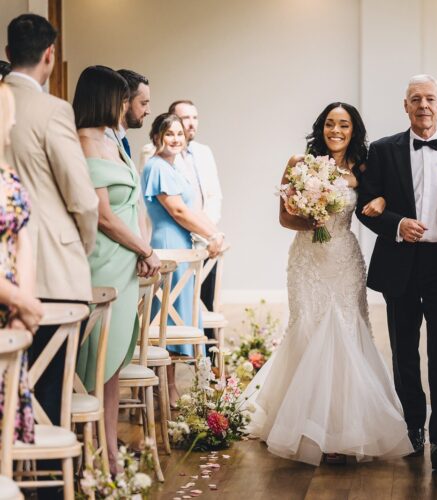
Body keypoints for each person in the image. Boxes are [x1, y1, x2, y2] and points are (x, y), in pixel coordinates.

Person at [241, 102, 412, 466]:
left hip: (344, 259)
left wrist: (381, 199)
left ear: (354, 130)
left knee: (347, 331)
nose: (336, 130)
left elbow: (385, 197)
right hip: (307, 259)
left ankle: (343, 427)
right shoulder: (298, 165)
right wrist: (312, 220)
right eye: (330, 124)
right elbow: (285, 217)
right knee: (307, 328)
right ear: (321, 128)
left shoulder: (364, 168)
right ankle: (301, 424)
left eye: (344, 125)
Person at [357, 75, 437, 470]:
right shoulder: (382, 150)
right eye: (416, 99)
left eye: (430, 99)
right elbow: (366, 204)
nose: (423, 105)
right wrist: (397, 224)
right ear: (406, 106)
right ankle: (414, 427)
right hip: (400, 263)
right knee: (405, 352)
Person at [4, 13, 99, 428]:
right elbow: (82, 197)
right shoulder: (52, 110)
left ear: (8, 54)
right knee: (49, 393)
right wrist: (77, 245)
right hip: (50, 274)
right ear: (49, 54)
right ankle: (50, 488)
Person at [72, 65, 161, 469]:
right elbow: (104, 216)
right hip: (102, 263)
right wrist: (146, 250)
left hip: (125, 264)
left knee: (113, 368)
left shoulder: (115, 143)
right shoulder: (83, 142)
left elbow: (135, 205)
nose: (125, 105)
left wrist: (140, 251)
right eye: (120, 98)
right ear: (102, 99)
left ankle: (109, 451)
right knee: (95, 360)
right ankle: (89, 453)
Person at [141, 113, 223, 405]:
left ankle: (168, 386)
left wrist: (216, 233)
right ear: (156, 137)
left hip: (182, 247)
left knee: (175, 316)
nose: (175, 139)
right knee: (167, 319)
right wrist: (211, 237)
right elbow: (178, 212)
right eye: (168, 134)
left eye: (178, 133)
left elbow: (194, 208)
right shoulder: (157, 167)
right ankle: (165, 387)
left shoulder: (175, 167)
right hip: (168, 246)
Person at [0, 82, 43, 446]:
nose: (11, 124)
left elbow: (22, 239)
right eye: (7, 114)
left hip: (10, 311)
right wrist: (22, 300)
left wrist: (23, 309)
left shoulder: (8, 172)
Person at [105, 69, 150, 158]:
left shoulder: (122, 140)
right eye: (143, 103)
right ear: (124, 101)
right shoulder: (105, 142)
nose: (148, 111)